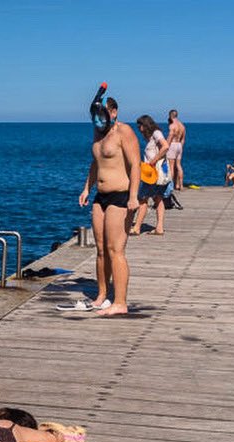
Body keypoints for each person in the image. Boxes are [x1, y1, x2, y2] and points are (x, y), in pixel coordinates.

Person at [77, 89, 140, 316]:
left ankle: (120, 302)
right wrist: (87, 188)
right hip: (100, 197)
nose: (98, 120)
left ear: (114, 112)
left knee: (116, 250)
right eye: (95, 116)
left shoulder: (124, 132)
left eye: (102, 115)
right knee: (101, 250)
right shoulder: (98, 132)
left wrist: (134, 196)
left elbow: (136, 166)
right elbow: (96, 163)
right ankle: (102, 296)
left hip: (121, 197)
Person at [131, 115, 171, 237]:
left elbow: (166, 146)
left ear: (145, 124)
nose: (139, 129)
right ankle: (159, 228)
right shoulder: (151, 136)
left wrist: (153, 160)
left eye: (140, 126)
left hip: (153, 173)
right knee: (158, 198)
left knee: (142, 199)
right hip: (154, 173)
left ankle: (137, 228)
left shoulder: (156, 133)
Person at [166, 109, 186, 191]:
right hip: (179, 145)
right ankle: (180, 185)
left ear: (170, 116)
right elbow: (183, 139)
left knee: (171, 166)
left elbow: (170, 137)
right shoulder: (182, 126)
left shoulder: (172, 126)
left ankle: (170, 186)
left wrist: (166, 146)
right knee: (178, 165)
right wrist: (180, 147)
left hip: (173, 144)